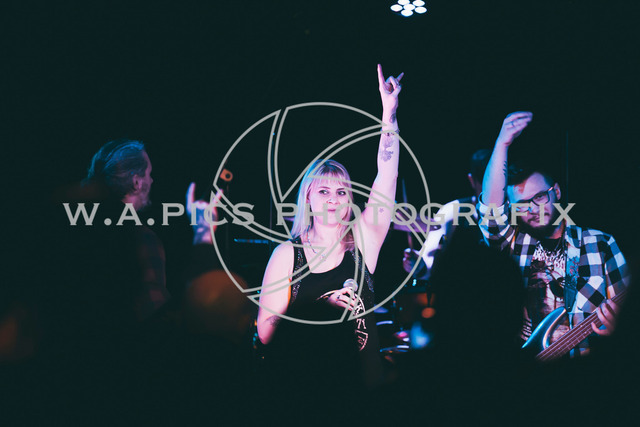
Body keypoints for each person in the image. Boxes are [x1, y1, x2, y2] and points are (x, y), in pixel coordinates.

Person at [256, 64, 403, 386]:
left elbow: (387, 175)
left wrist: (389, 115)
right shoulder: (288, 254)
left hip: (362, 384)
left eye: (341, 191)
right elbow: (265, 331)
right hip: (305, 384)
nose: (333, 199)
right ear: (308, 197)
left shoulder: (363, 241)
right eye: (324, 191)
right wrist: (323, 306)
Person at [478, 111, 629, 356]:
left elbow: (628, 313)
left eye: (539, 197)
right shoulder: (512, 243)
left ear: (556, 192)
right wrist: (502, 144)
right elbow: (491, 211)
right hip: (525, 368)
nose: (533, 209)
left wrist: (618, 325)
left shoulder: (599, 243)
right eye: (521, 204)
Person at [402, 148, 491, 279]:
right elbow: (429, 259)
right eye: (485, 185)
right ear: (471, 180)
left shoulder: (517, 209)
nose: (492, 194)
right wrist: (419, 265)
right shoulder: (453, 210)